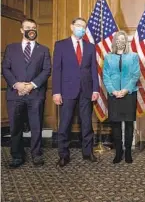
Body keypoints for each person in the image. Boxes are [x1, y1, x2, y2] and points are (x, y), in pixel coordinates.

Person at [2, 18, 51, 168]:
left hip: (35, 94)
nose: (32, 30)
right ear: (22, 30)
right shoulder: (11, 48)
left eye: (34, 28)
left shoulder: (43, 50)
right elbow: (5, 69)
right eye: (28, 27)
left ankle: (36, 154)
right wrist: (17, 84)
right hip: (15, 94)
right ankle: (17, 156)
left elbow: (46, 70)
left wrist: (32, 85)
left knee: (36, 126)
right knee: (15, 127)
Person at [52, 17, 99, 167]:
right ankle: (63, 155)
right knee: (65, 123)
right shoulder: (61, 45)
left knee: (87, 123)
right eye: (79, 26)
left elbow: (93, 70)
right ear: (71, 27)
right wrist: (56, 92)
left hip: (86, 90)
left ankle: (88, 152)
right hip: (66, 90)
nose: (81, 29)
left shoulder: (90, 47)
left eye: (84, 27)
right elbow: (57, 70)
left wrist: (95, 89)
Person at [103, 31, 140, 164]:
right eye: (118, 39)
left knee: (129, 123)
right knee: (116, 124)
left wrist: (125, 90)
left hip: (129, 93)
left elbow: (136, 75)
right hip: (114, 95)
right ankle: (119, 152)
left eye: (123, 39)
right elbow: (105, 76)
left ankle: (128, 152)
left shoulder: (134, 56)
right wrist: (113, 91)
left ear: (126, 42)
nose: (120, 42)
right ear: (114, 42)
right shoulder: (108, 57)